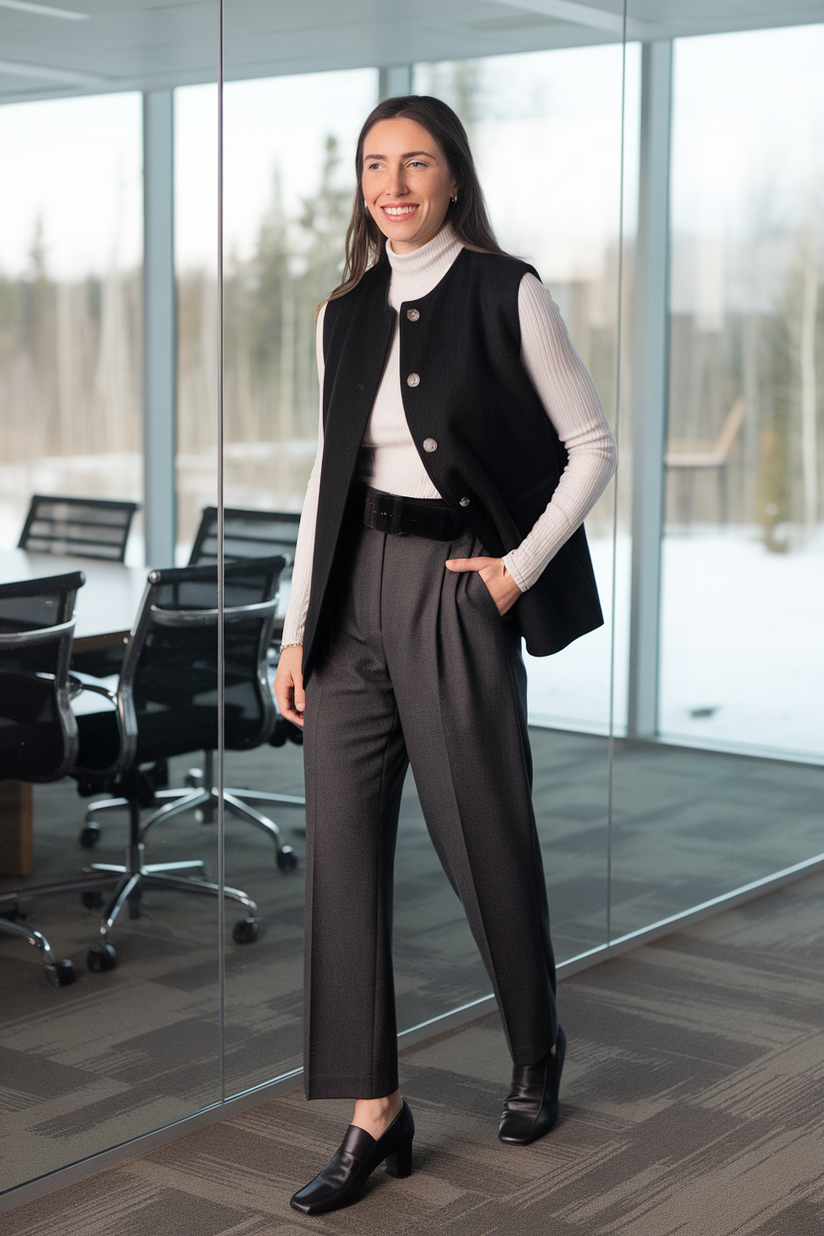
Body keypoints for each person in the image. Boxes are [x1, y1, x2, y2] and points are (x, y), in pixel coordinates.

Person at [274, 94, 617, 1216]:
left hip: (455, 589)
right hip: (347, 602)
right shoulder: (344, 311)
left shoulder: (502, 289)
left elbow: (589, 445)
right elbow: (324, 480)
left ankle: (534, 1044)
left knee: (485, 838)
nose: (393, 184)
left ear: (452, 178)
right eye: (375, 165)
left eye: (415, 163)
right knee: (340, 859)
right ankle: (374, 1110)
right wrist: (292, 629)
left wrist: (515, 568)